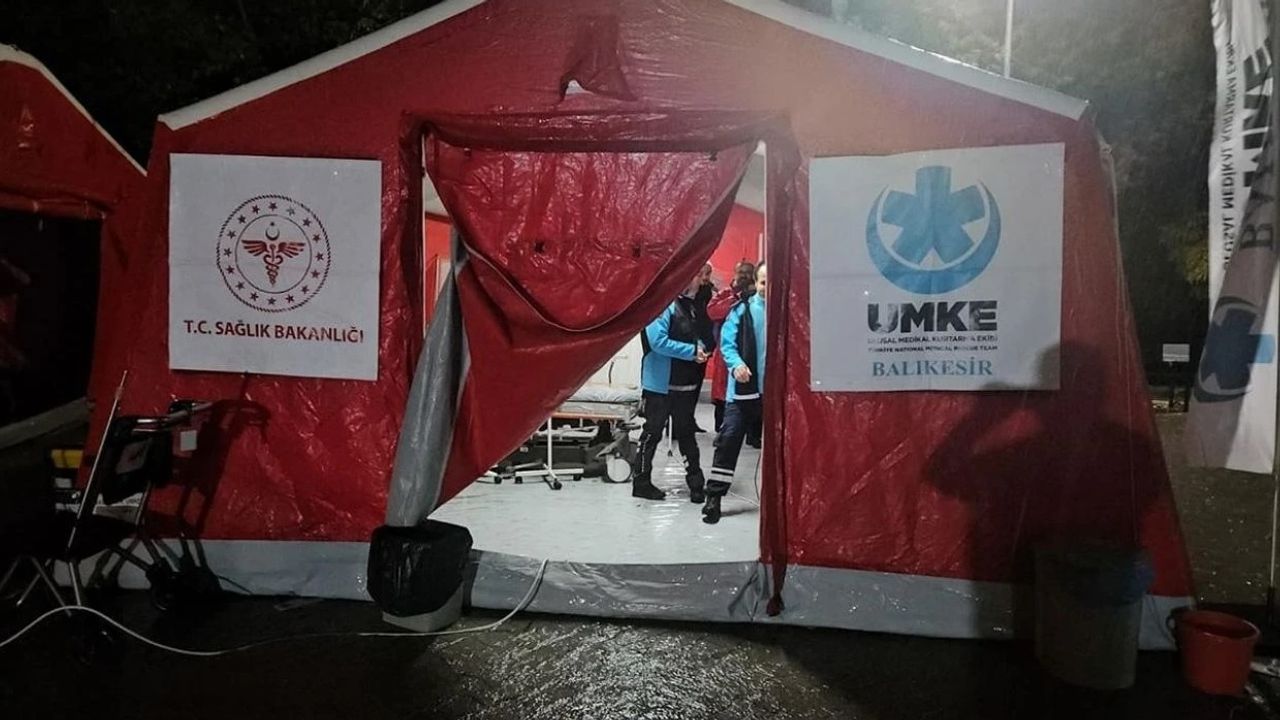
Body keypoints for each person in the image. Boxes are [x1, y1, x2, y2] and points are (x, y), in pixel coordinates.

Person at [635, 272, 712, 502]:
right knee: (652, 434)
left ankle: (696, 484)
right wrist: (691, 352)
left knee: (687, 435)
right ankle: (641, 482)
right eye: (696, 274)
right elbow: (657, 341)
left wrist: (701, 347)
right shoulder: (661, 304)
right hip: (660, 385)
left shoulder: (694, 306)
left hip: (685, 384)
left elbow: (701, 335)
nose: (700, 279)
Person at [705, 263, 766, 524]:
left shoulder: (786, 312)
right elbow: (727, 344)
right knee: (728, 441)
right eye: (763, 282)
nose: (766, 287)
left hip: (773, 393)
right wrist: (737, 364)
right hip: (741, 394)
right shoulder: (742, 310)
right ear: (756, 282)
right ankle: (714, 497)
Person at [707, 261, 756, 432]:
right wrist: (736, 298)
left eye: (748, 272)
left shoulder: (756, 297)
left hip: (750, 350)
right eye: (741, 272)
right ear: (735, 273)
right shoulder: (725, 294)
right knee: (722, 392)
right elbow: (713, 312)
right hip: (727, 350)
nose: (744, 275)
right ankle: (721, 430)